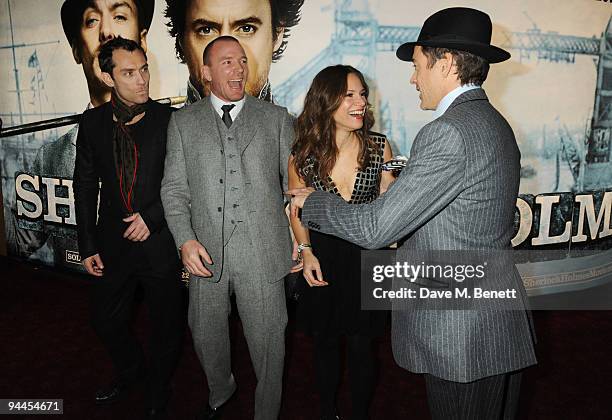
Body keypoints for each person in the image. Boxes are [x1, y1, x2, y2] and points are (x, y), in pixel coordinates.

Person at [288, 8, 537, 419]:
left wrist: (311, 201)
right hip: (494, 320)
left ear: (447, 63)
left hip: (461, 334)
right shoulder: (494, 123)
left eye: (418, 65)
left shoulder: (445, 132)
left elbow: (374, 228)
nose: (413, 77)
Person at [160, 36, 295, 420]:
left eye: (241, 61)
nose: (238, 69)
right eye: (226, 62)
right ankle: (221, 389)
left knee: (271, 344)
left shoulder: (277, 119)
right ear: (205, 72)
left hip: (263, 252)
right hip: (205, 252)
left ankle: (266, 412)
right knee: (206, 336)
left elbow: (297, 190)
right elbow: (173, 190)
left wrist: (302, 245)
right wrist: (184, 240)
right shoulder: (183, 123)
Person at [73, 37, 182, 419]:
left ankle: (158, 387)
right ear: (107, 76)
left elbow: (183, 182)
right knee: (104, 319)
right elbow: (85, 185)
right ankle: (132, 370)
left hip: (160, 242)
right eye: (129, 73)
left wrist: (151, 218)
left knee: (166, 325)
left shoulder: (171, 121)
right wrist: (87, 244)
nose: (142, 80)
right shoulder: (92, 123)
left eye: (144, 69)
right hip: (112, 243)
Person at [9, 0, 154, 269]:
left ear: (142, 40)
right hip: (93, 286)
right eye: (91, 20)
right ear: (77, 49)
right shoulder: (50, 157)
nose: (107, 32)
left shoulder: (174, 127)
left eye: (120, 16)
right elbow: (18, 239)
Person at [288, 65, 394, 420]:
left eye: (362, 94)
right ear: (326, 100)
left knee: (365, 347)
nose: (360, 102)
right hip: (324, 257)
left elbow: (390, 209)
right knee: (325, 342)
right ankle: (328, 409)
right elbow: (296, 211)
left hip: (369, 257)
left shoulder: (379, 148)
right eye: (349, 95)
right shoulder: (303, 154)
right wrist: (306, 252)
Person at [164, 0, 304, 104]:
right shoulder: (156, 138)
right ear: (181, 38)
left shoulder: (299, 140)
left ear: (277, 34)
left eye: (246, 29)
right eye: (206, 30)